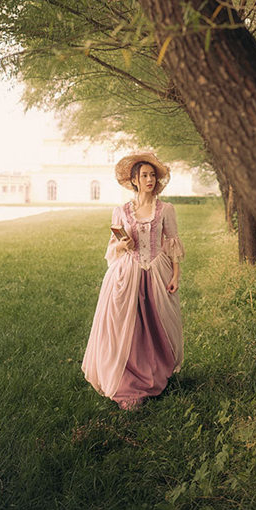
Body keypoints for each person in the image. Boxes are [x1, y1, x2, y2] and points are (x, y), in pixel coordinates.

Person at [81, 151, 185, 410]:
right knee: (126, 326)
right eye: (144, 175)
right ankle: (128, 381)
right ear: (135, 180)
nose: (149, 179)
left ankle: (155, 371)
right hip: (127, 273)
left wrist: (176, 275)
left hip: (157, 272)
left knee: (155, 323)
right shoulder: (121, 211)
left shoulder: (166, 210)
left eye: (152, 175)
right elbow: (113, 248)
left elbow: (171, 245)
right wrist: (123, 244)